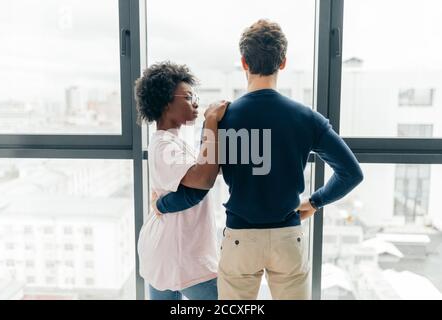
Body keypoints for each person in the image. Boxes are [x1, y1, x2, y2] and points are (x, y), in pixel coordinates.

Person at [155, 19, 363, 300]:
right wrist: (315, 202)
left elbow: (200, 182)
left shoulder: (221, 119)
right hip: (287, 237)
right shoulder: (307, 118)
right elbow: (351, 173)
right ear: (283, 63)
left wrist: (162, 203)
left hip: (240, 239)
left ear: (244, 62)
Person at [134, 61, 228, 300]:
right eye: (188, 97)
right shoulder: (164, 145)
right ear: (166, 103)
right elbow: (204, 179)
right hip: (178, 255)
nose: (195, 102)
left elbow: (208, 169)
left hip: (174, 251)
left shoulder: (174, 142)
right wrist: (211, 122)